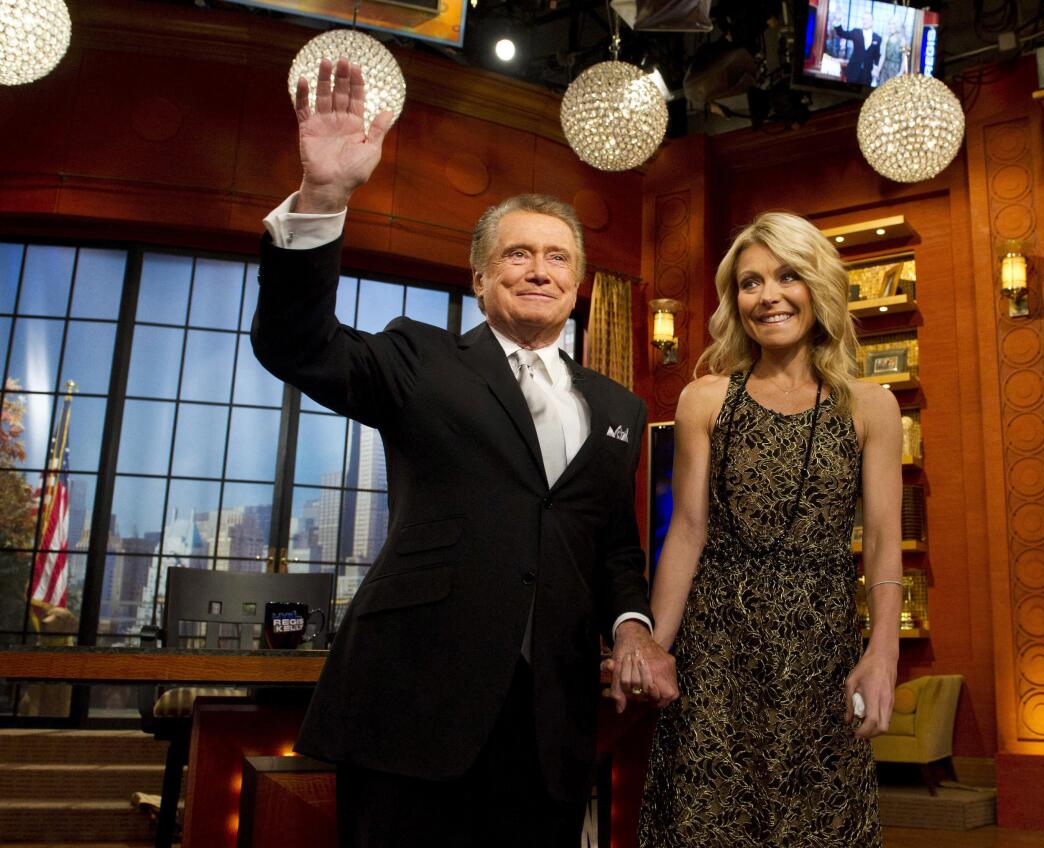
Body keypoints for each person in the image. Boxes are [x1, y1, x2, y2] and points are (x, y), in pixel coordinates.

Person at [251, 57, 677, 847]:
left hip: (550, 726)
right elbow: (295, 343)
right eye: (517, 255)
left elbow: (612, 545)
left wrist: (630, 626)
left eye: (557, 258)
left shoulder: (619, 408)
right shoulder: (419, 358)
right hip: (411, 706)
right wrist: (324, 199)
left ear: (580, 285)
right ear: (480, 277)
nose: (539, 270)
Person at [637, 212, 902, 846]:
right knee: (706, 824)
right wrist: (655, 644)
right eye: (750, 282)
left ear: (818, 287)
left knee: (818, 826)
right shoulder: (705, 399)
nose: (769, 295)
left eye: (787, 276)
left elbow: (886, 542)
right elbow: (689, 532)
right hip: (716, 651)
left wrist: (883, 653)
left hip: (823, 651)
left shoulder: (871, 405)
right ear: (736, 300)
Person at [834, 11, 884, 86]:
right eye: (863, 19)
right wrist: (838, 20)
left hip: (867, 74)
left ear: (872, 22)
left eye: (867, 19)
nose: (865, 21)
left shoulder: (878, 38)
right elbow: (841, 33)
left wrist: (875, 69)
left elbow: (877, 56)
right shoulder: (856, 32)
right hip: (852, 71)